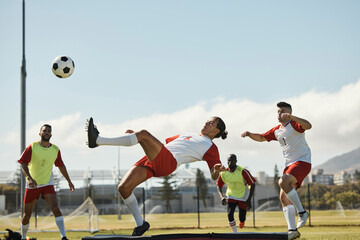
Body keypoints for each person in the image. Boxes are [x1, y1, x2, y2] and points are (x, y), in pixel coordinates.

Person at [86, 116, 228, 236]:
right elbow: (161, 145)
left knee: (144, 134)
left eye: (211, 123)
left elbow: (214, 176)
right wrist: (134, 137)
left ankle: (97, 140)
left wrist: (216, 170)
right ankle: (141, 224)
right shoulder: (188, 134)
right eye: (207, 121)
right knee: (123, 188)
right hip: (156, 157)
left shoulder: (211, 147)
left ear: (216, 131)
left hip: (168, 163)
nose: (206, 123)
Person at [241, 102, 311, 240]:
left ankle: (302, 212)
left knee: (283, 181)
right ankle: (292, 230)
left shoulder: (294, 124)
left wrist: (293, 117)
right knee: (283, 197)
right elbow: (261, 137)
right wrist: (249, 134)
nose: (280, 113)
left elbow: (308, 126)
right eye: (278, 111)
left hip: (302, 162)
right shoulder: (277, 130)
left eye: (283, 111)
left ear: (289, 112)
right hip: (289, 165)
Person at [18, 124, 75, 240]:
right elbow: (23, 163)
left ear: (51, 134)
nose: (46, 132)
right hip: (32, 184)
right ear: (40, 133)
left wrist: (69, 181)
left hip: (47, 183)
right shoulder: (32, 147)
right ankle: (23, 238)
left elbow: (61, 166)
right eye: (44, 131)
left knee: (55, 208)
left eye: (49, 131)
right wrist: (29, 178)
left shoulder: (55, 149)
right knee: (27, 215)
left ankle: (63, 237)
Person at [217, 154, 256, 232]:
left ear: (236, 161)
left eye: (232, 160)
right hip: (231, 196)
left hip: (243, 196)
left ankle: (242, 221)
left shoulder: (243, 171)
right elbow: (219, 186)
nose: (230, 162)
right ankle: (235, 234)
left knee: (242, 217)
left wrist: (249, 200)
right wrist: (222, 197)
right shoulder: (224, 173)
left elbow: (253, 184)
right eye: (228, 160)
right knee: (230, 214)